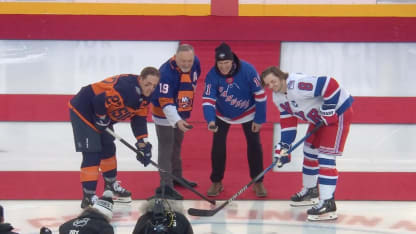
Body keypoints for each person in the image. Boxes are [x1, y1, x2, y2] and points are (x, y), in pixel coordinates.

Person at [260, 66, 353, 221]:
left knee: (325, 158)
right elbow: (288, 121)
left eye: (273, 81)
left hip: (338, 114)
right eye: (268, 84)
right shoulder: (278, 97)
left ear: (281, 76)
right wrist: (285, 146)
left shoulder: (297, 85)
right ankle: (311, 191)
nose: (272, 86)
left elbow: (330, 84)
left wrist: (329, 108)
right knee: (309, 151)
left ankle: (327, 203)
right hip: (320, 119)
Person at [69, 67, 160, 208]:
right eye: (147, 84)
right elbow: (99, 101)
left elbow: (139, 119)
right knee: (92, 154)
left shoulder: (145, 96)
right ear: (140, 79)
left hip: (102, 112)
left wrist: (142, 144)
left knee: (108, 148)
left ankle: (110, 186)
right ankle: (88, 196)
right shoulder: (126, 89)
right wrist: (101, 117)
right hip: (84, 110)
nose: (150, 89)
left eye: (154, 86)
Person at [202, 42, 267, 198]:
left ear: (232, 61)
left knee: (254, 145)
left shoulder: (249, 70)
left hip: (248, 112)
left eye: (226, 63)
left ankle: (258, 181)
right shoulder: (212, 75)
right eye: (220, 63)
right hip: (222, 114)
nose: (223, 67)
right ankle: (217, 181)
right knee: (218, 146)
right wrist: (210, 120)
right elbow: (208, 99)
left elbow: (261, 96)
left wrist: (259, 119)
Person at [151, 44, 201, 200]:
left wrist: (182, 114)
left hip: (181, 110)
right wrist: (177, 120)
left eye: (189, 61)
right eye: (183, 61)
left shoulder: (195, 63)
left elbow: (194, 79)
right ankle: (166, 185)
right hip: (164, 114)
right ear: (176, 57)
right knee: (166, 149)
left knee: (177, 145)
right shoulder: (165, 73)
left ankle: (177, 177)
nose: (187, 64)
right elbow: (165, 102)